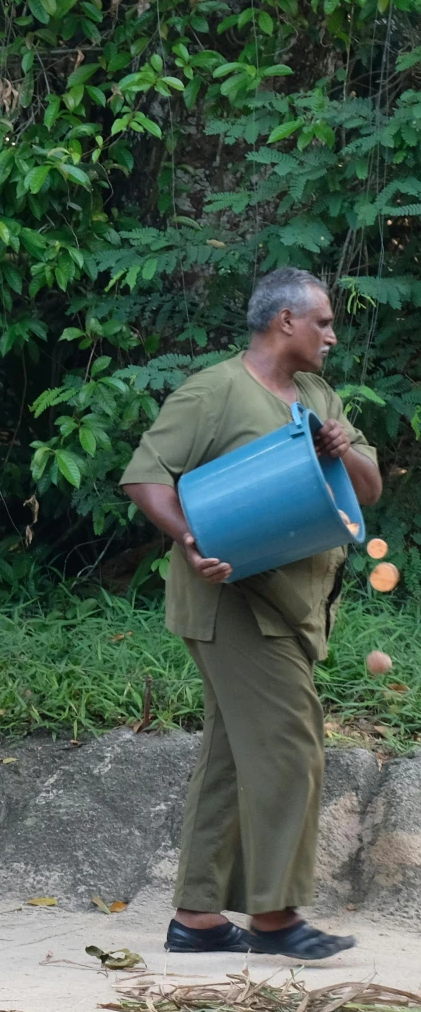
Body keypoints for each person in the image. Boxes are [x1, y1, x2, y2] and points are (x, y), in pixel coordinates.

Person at [121, 267, 382, 960]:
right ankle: (275, 918)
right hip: (230, 599)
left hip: (291, 604)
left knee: (231, 758)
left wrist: (342, 447)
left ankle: (198, 918)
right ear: (284, 322)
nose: (331, 334)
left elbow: (369, 487)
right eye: (321, 321)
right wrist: (190, 537)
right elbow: (146, 475)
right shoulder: (217, 389)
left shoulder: (317, 395)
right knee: (291, 749)